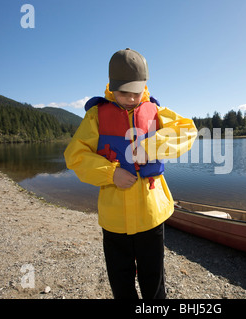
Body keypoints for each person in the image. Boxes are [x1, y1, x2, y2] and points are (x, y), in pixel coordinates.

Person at [64, 48, 197, 299]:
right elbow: (75, 156)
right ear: (111, 87)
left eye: (136, 93)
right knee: (121, 282)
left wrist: (151, 146)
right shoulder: (96, 116)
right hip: (115, 221)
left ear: (145, 86)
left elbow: (187, 131)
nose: (131, 99)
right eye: (124, 93)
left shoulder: (155, 111)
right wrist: (110, 173)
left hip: (150, 215)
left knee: (154, 282)